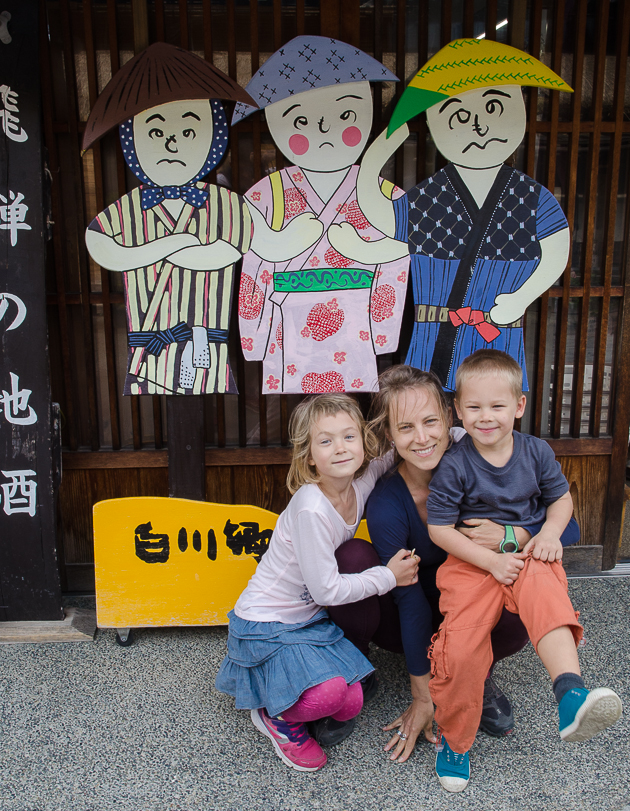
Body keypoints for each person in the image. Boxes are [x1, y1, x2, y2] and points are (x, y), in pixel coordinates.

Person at [329, 364, 575, 758]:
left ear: (449, 418)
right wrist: (421, 693)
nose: (423, 438)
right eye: (406, 428)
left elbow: (568, 527)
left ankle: (478, 677)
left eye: (430, 421)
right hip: (411, 615)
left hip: (474, 612)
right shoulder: (389, 501)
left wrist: (514, 535)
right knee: (351, 557)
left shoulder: (478, 461)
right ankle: (356, 665)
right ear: (390, 435)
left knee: (521, 577)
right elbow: (408, 601)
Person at [426, 349, 622, 792]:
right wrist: (492, 560)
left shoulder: (535, 452)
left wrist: (550, 534)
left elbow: (561, 500)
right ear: (458, 409)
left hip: (527, 553)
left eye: (497, 406)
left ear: (519, 405)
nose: (485, 417)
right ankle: (455, 741)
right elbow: (439, 529)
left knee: (548, 594)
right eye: (473, 407)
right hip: (472, 563)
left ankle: (570, 694)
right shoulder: (455, 464)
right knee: (460, 650)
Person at [327, 37, 573, 391]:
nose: (478, 127)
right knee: (429, 415)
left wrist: (522, 297)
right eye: (459, 115)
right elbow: (395, 234)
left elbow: (556, 250)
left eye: (493, 108)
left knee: (489, 413)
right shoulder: (432, 193)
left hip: (497, 333)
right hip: (434, 334)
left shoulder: (532, 197)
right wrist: (374, 160)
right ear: (434, 121)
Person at [215, 393, 418, 772]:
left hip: (307, 620)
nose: (340, 449)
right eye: (325, 441)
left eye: (348, 437)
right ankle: (277, 718)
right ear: (309, 456)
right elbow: (327, 591)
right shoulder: (310, 507)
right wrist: (388, 576)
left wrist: (459, 431)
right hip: (267, 622)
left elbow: (398, 452)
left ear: (363, 441)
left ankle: (295, 694)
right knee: (327, 697)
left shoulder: (360, 482)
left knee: (352, 699)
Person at [233, 36, 409, 394]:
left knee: (349, 422)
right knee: (303, 421)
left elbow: (402, 255)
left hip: (358, 322)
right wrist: (254, 335)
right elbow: (251, 267)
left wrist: (382, 332)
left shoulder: (382, 195)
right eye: (300, 119)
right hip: (289, 327)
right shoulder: (266, 195)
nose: (324, 129)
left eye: (345, 115)